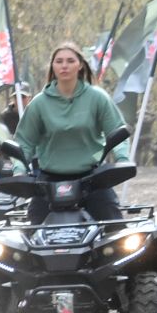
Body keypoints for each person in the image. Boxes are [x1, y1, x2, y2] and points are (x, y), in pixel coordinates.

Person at [13, 40, 129, 223]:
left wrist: (122, 160)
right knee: (30, 234)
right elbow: (24, 141)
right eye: (59, 61)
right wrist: (19, 169)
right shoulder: (39, 104)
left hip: (93, 179)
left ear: (80, 65)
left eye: (70, 60)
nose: (64, 66)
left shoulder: (98, 98)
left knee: (115, 229)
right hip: (48, 181)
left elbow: (117, 131)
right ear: (53, 66)